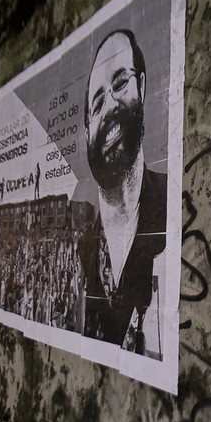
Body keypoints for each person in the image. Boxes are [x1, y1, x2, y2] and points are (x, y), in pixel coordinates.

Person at [77, 29, 166, 355]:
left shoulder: (174, 205)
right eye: (97, 102)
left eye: (120, 84)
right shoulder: (82, 246)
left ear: (141, 87)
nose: (111, 102)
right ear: (88, 132)